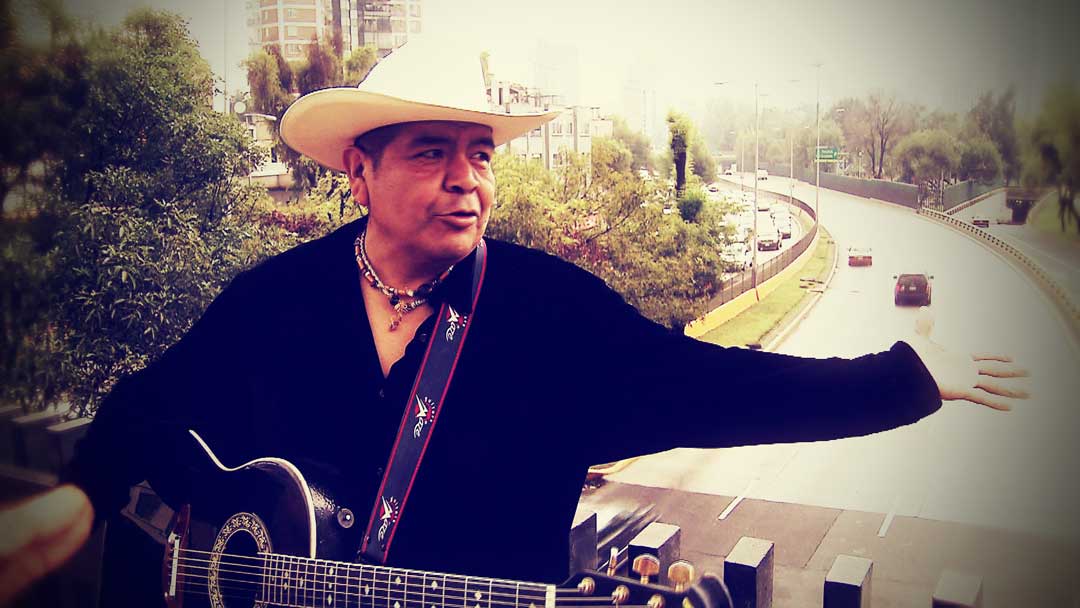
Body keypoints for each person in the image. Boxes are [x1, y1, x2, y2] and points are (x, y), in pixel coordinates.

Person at [3, 39, 1027, 602]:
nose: (468, 179)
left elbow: (726, 389)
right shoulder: (275, 303)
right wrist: (74, 506)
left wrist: (902, 379)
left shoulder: (552, 317)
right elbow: (146, 411)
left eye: (481, 154)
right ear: (360, 169)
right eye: (432, 152)